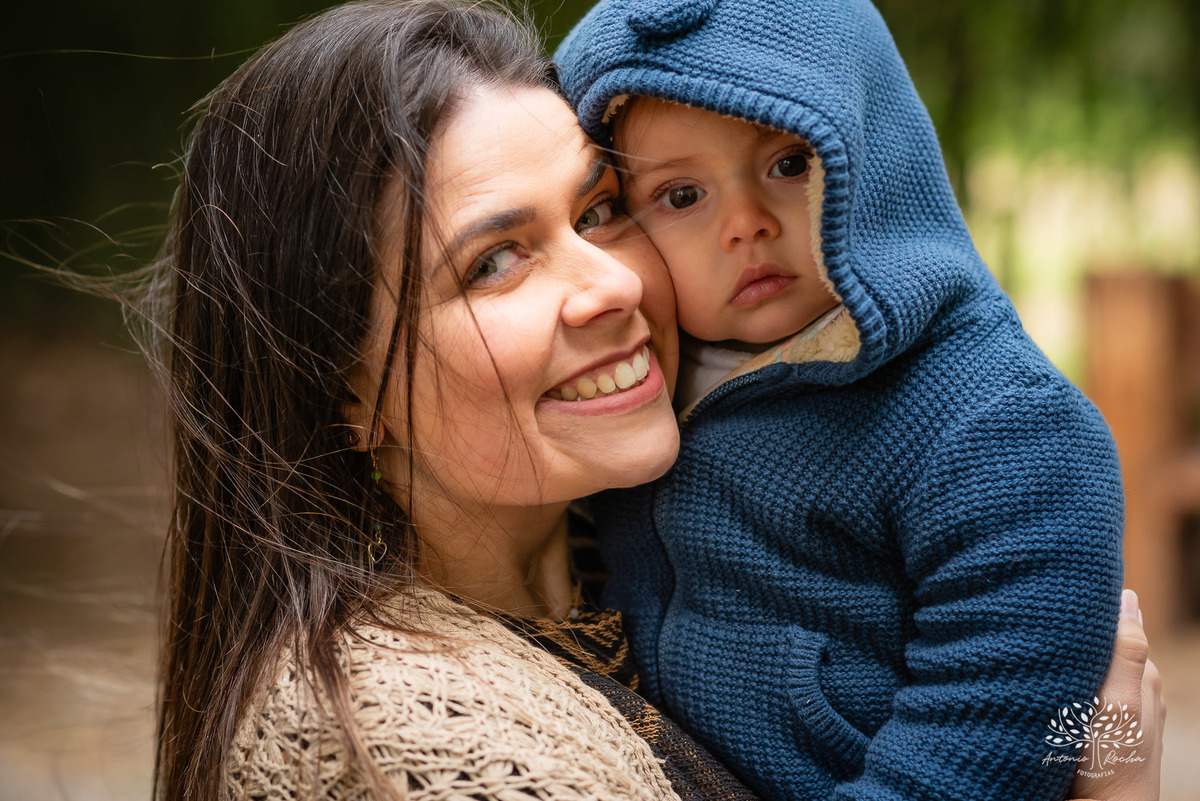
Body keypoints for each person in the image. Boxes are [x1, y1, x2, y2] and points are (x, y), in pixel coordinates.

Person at [140, 1, 1160, 799]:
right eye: (495, 261)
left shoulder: (623, 524)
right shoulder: (409, 741)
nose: (615, 283)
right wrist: (1116, 785)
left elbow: (1051, 672)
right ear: (342, 389)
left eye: (597, 210)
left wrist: (1098, 739)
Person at [555, 0, 1139, 799]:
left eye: (790, 163)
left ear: (878, 150)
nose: (747, 226)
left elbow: (1010, 718)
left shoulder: (1002, 421)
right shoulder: (639, 382)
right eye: (682, 196)